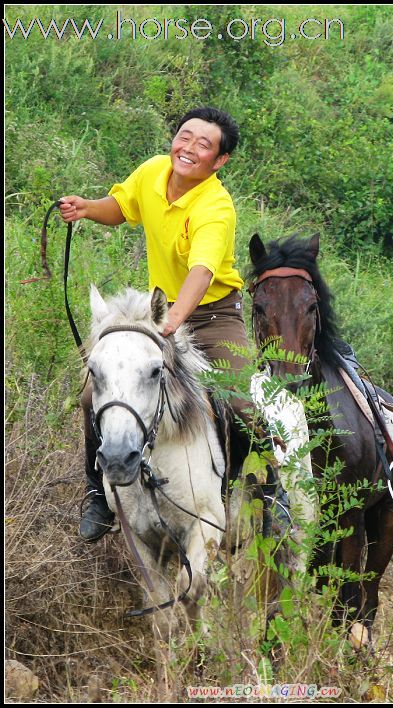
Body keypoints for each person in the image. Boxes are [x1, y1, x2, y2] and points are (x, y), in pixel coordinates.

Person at [60, 107, 251, 542]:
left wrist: (172, 324)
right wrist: (87, 208)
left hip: (212, 315)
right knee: (94, 393)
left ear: (219, 162)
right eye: (185, 137)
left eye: (204, 145)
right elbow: (122, 207)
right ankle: (98, 494)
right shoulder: (153, 172)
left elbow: (202, 273)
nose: (189, 149)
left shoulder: (216, 207)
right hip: (156, 311)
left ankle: (254, 492)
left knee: (242, 405)